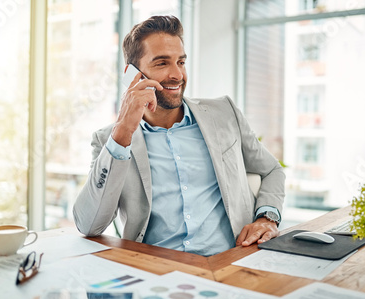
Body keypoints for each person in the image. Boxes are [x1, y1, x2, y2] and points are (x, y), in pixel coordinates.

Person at [73, 15, 285, 256]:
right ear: (131, 74)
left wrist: (267, 217)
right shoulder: (108, 141)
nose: (177, 75)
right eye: (162, 63)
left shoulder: (224, 113)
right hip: (155, 272)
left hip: (229, 262)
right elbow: (88, 225)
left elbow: (272, 170)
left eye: (181, 62)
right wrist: (122, 132)